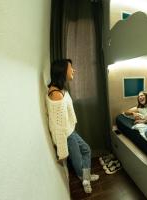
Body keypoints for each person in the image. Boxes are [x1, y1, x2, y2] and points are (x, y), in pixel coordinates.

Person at [45, 59, 98, 193]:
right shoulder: (56, 94)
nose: (74, 70)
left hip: (70, 132)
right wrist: (62, 151)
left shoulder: (59, 89)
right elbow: (58, 127)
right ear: (62, 71)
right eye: (71, 68)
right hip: (67, 136)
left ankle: (85, 177)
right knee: (79, 161)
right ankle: (85, 180)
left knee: (86, 149)